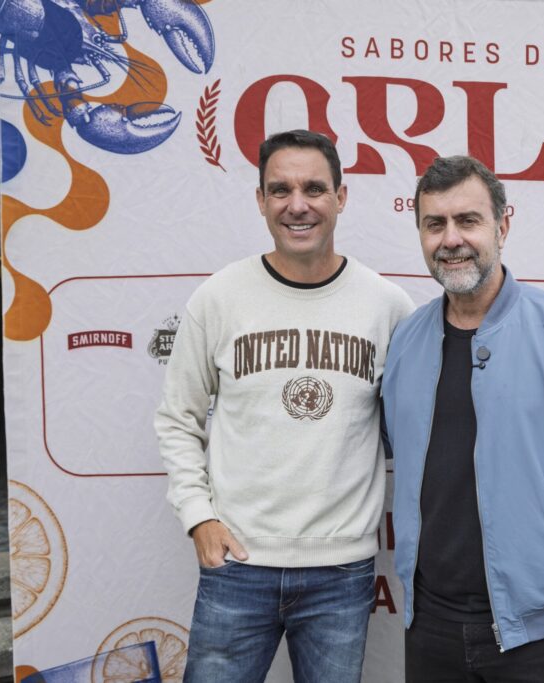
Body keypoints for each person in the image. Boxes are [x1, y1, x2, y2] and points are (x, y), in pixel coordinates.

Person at [155, 129, 414, 682]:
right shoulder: (219, 298)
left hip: (341, 570)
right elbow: (178, 419)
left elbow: (413, 427)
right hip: (237, 563)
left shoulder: (388, 306)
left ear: (341, 197)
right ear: (260, 200)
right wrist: (199, 518)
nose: (298, 205)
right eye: (281, 190)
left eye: (314, 189)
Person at [382, 156, 544, 683]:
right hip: (430, 626)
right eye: (435, 224)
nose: (451, 239)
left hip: (542, 635)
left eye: (468, 220)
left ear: (502, 227)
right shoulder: (406, 341)